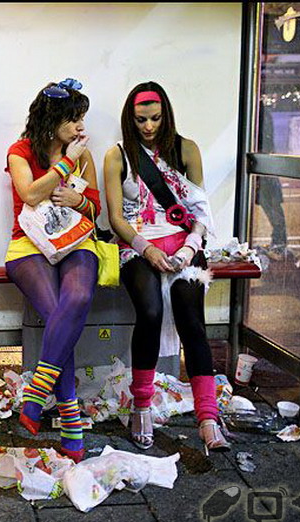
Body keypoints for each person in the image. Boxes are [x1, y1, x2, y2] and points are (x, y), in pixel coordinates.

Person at [103, 81, 230, 455]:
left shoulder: (186, 149)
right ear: (130, 118)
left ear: (166, 116)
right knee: (150, 312)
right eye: (141, 119)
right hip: (138, 245)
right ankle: (141, 408)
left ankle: (208, 417)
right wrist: (147, 250)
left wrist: (191, 247)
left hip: (185, 243)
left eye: (155, 119)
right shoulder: (117, 156)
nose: (148, 126)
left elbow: (200, 210)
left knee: (191, 319)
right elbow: (115, 218)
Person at [8, 78, 100, 463]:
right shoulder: (20, 151)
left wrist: (78, 199)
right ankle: (72, 425)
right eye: (73, 118)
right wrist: (65, 164)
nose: (80, 127)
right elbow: (29, 193)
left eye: (82, 119)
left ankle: (37, 392)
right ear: (52, 119)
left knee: (76, 299)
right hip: (30, 244)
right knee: (59, 320)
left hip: (75, 239)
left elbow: (95, 209)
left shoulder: (84, 154)